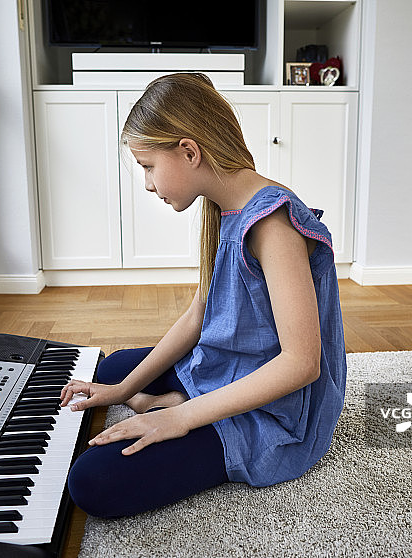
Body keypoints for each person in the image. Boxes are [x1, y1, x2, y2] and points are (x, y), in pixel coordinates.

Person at [61, 72, 347, 519]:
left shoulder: (272, 223)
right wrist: (122, 390)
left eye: (148, 167)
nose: (148, 184)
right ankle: (178, 399)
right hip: (224, 368)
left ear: (189, 151)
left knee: (91, 483)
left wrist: (176, 419)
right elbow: (199, 315)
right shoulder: (222, 207)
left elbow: (302, 363)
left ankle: (185, 405)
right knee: (115, 369)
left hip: (271, 410)